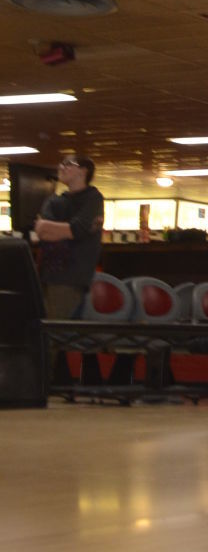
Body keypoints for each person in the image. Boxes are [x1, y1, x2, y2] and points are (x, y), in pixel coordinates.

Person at [36, 154, 106, 387]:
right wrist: (61, 229)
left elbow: (78, 229)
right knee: (46, 327)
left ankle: (43, 384)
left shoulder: (93, 198)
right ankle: (45, 381)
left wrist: (56, 229)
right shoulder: (55, 200)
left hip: (71, 276)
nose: (61, 167)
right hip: (47, 273)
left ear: (83, 171)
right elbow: (41, 231)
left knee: (54, 330)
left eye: (68, 164)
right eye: (61, 162)